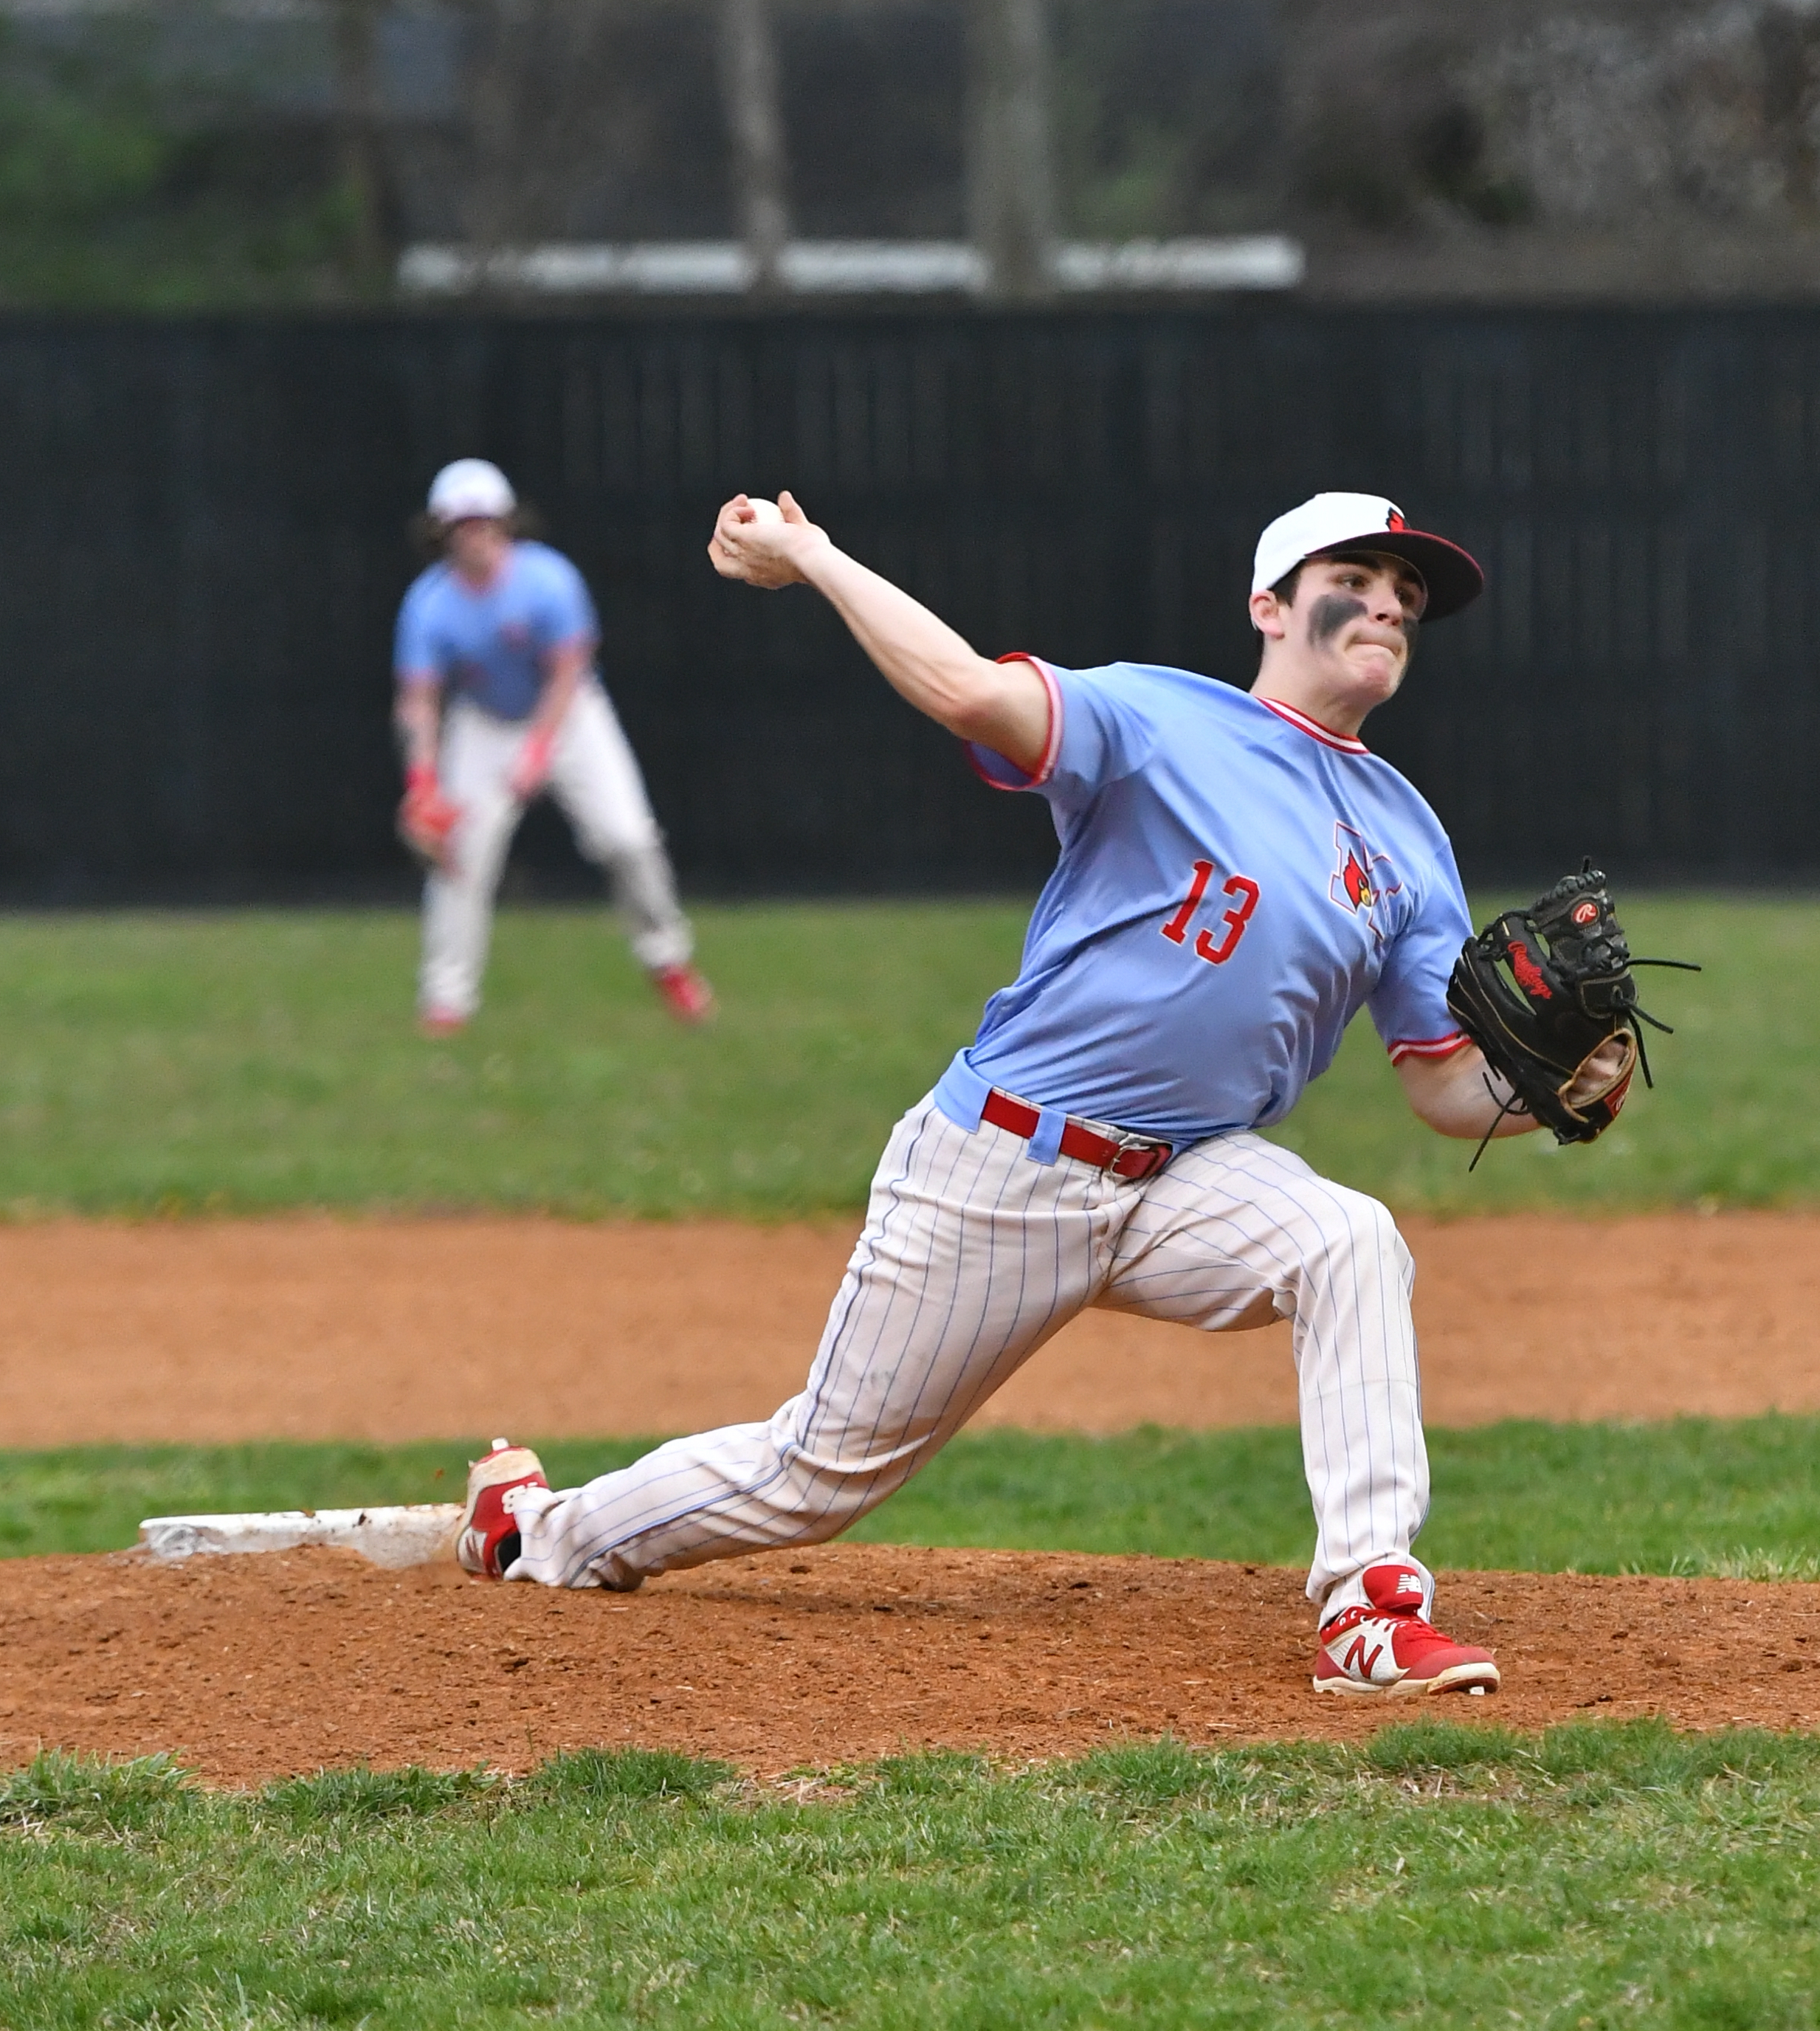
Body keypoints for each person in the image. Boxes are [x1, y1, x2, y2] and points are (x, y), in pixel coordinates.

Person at [455, 488, 1634, 1697]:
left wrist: (1553, 1092)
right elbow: (969, 691)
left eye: (1411, 593)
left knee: (1349, 1242)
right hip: (1006, 1163)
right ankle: (538, 1528)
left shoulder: (1406, 834)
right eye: (1356, 575)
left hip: (1188, 1171)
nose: (1388, 600)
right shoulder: (1156, 716)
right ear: (1269, 607)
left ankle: (1370, 1605)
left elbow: (1440, 1080)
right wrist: (812, 556)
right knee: (812, 1477)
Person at [393, 458, 713, 1034]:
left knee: (627, 839)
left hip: (567, 715)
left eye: (486, 521)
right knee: (459, 858)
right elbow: (419, 699)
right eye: (463, 524)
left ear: (506, 522)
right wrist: (422, 782)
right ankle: (446, 1002)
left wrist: (539, 751)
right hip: (485, 720)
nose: (476, 534)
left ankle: (669, 963)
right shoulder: (429, 604)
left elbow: (569, 670)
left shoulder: (547, 579)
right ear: (442, 532)